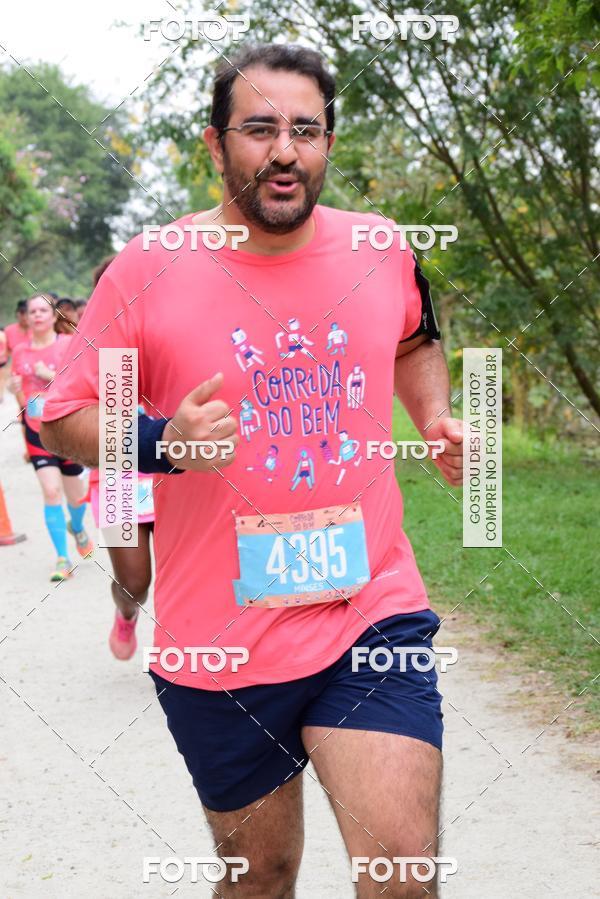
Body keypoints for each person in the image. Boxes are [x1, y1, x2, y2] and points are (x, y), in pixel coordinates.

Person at [40, 43, 464, 898]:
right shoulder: (148, 267)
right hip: (219, 642)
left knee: (403, 872)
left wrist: (434, 418)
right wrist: (163, 440)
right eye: (260, 127)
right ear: (214, 143)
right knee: (261, 873)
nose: (284, 150)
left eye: (305, 130)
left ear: (329, 144)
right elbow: (64, 414)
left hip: (368, 612)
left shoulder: (382, 249)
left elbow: (418, 340)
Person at [83, 254, 156, 660]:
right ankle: (126, 613)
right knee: (134, 581)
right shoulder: (90, 349)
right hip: (119, 478)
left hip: (175, 473)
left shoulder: (175, 333)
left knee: (187, 578)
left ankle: (177, 655)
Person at [10, 294, 93, 581]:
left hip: (67, 430)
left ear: (54, 316)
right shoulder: (20, 351)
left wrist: (50, 375)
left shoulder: (69, 345)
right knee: (51, 492)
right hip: (37, 431)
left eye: (43, 310)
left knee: (77, 497)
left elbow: (81, 383)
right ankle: (62, 558)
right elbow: (21, 389)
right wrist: (16, 392)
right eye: (32, 311)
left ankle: (78, 528)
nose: (37, 315)